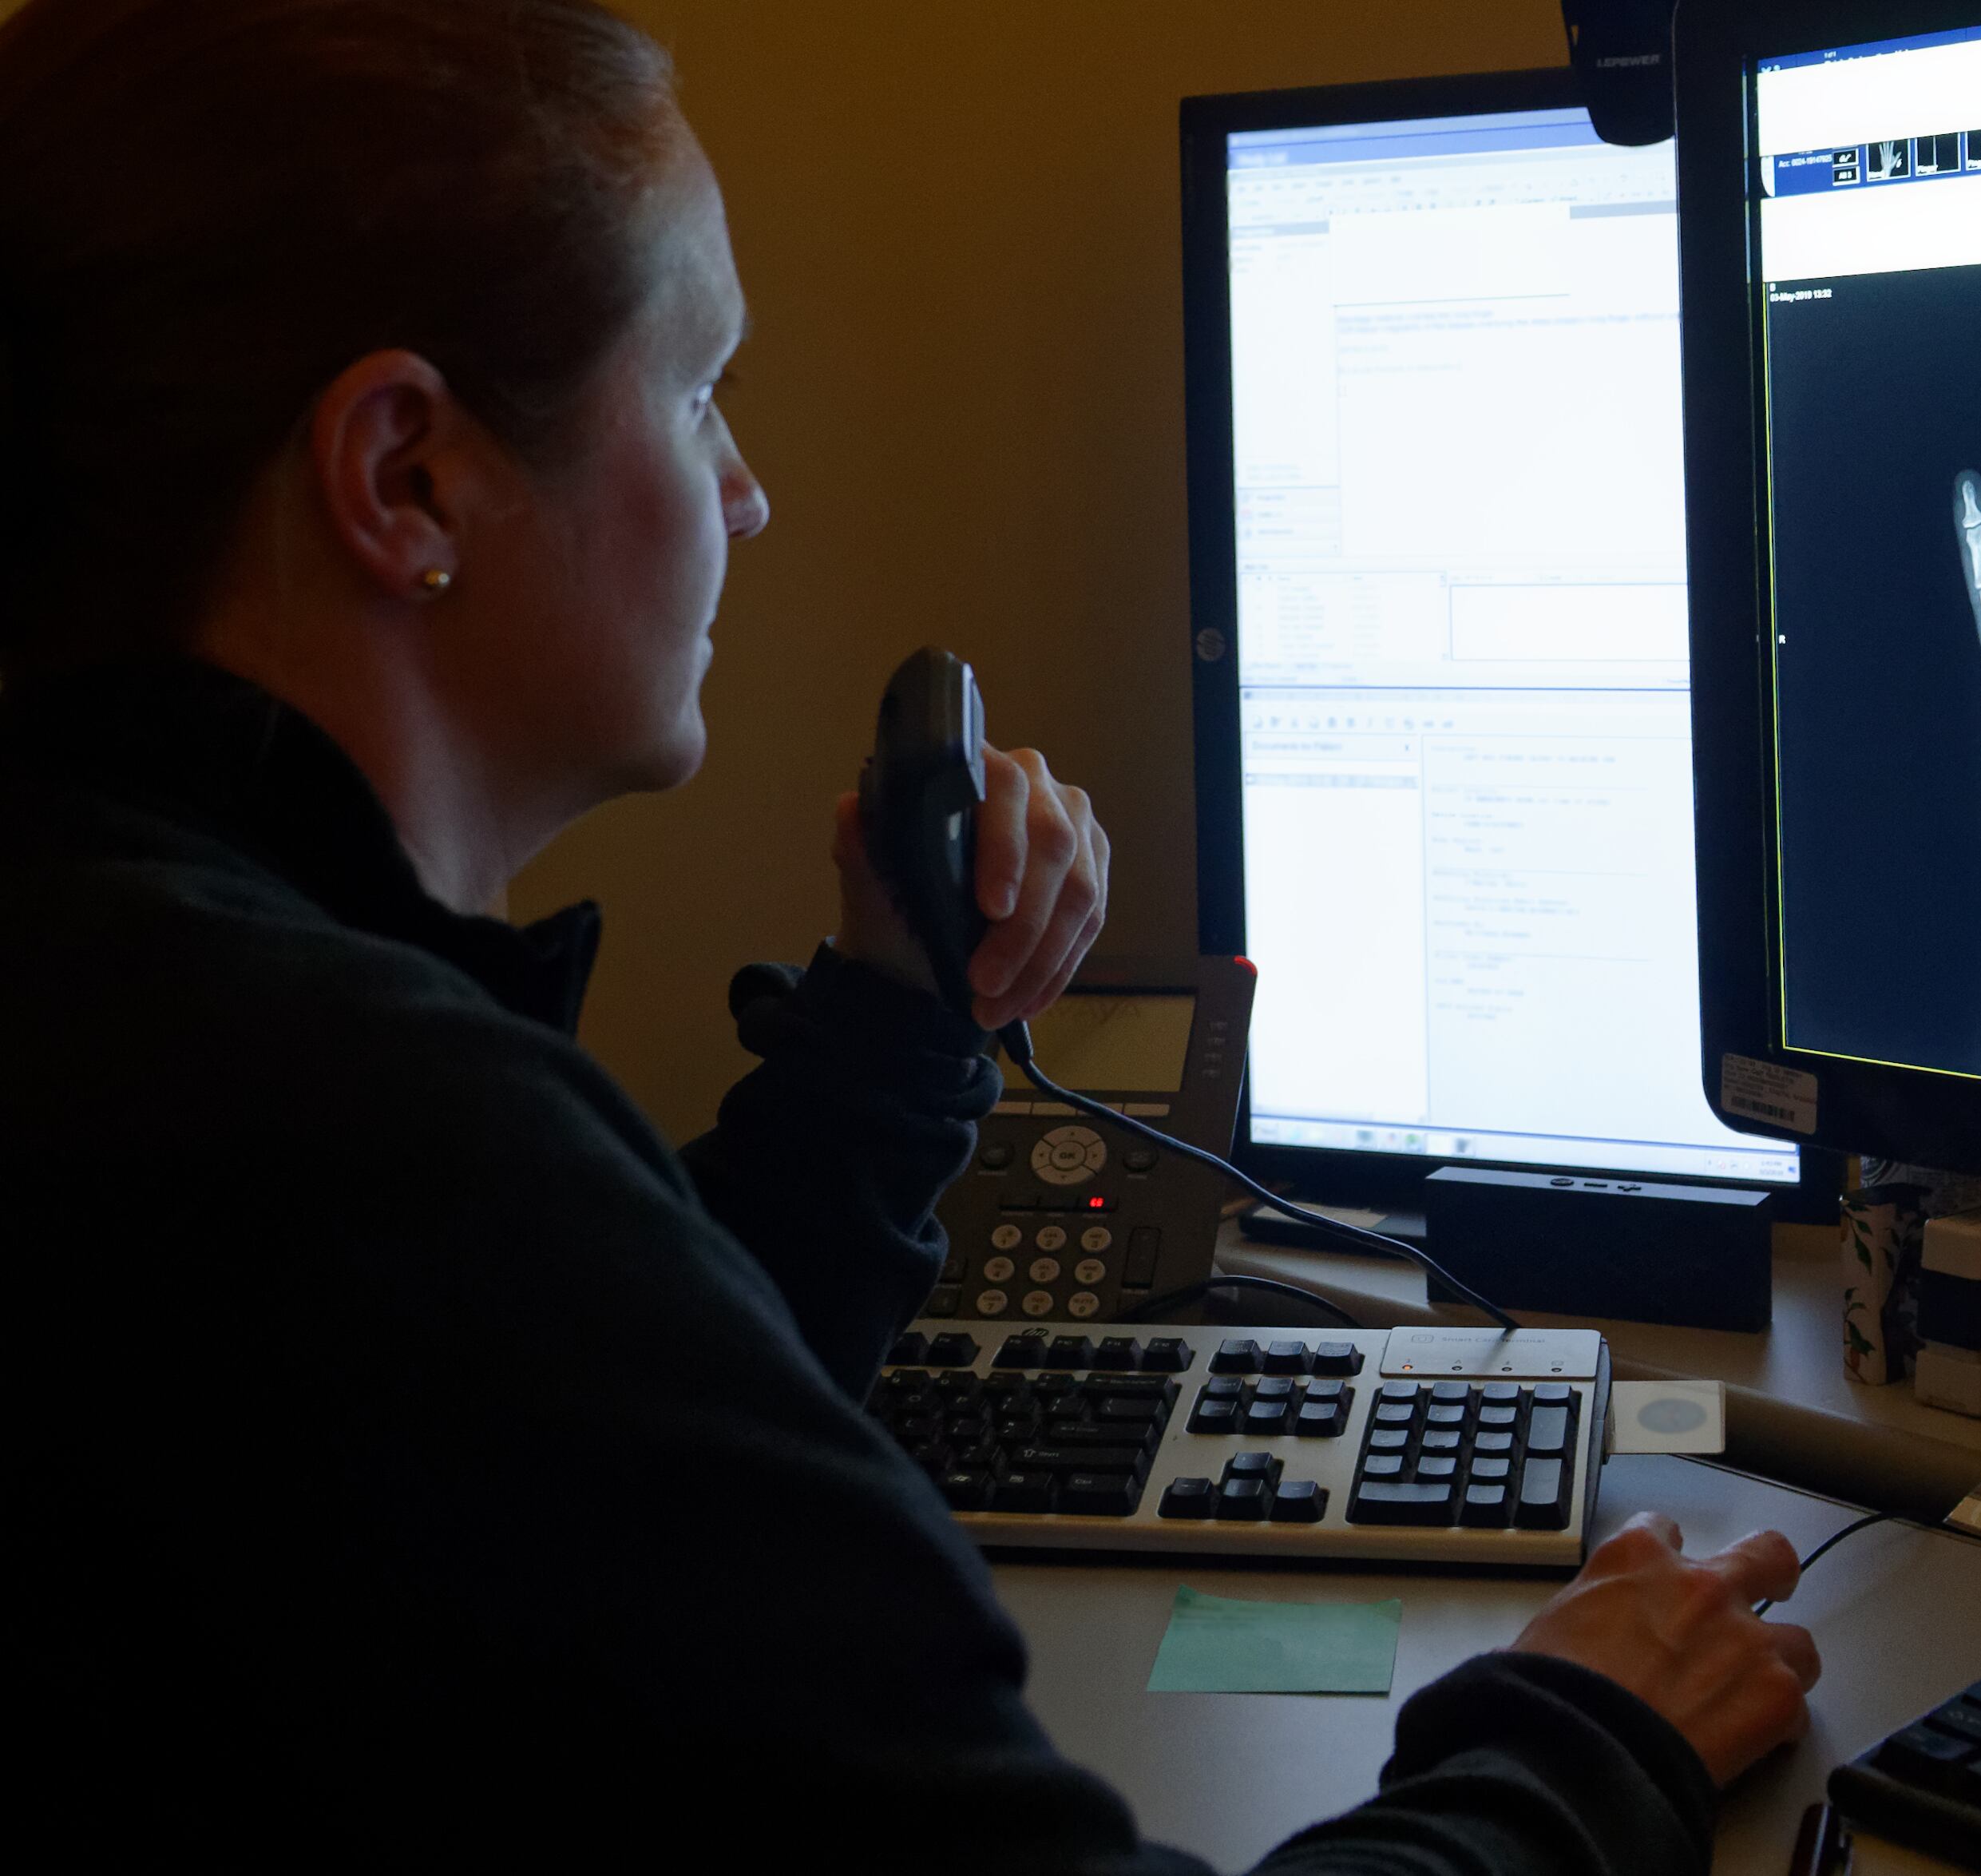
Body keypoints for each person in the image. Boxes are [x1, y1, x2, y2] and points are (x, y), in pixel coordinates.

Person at [0, 0, 1823, 1859]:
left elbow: (570, 1487)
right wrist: (1578, 1733)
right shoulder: (358, 1142)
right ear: (406, 475)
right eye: (699, 386)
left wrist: (896, 1017)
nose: (748, 491)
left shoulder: (124, 1004)